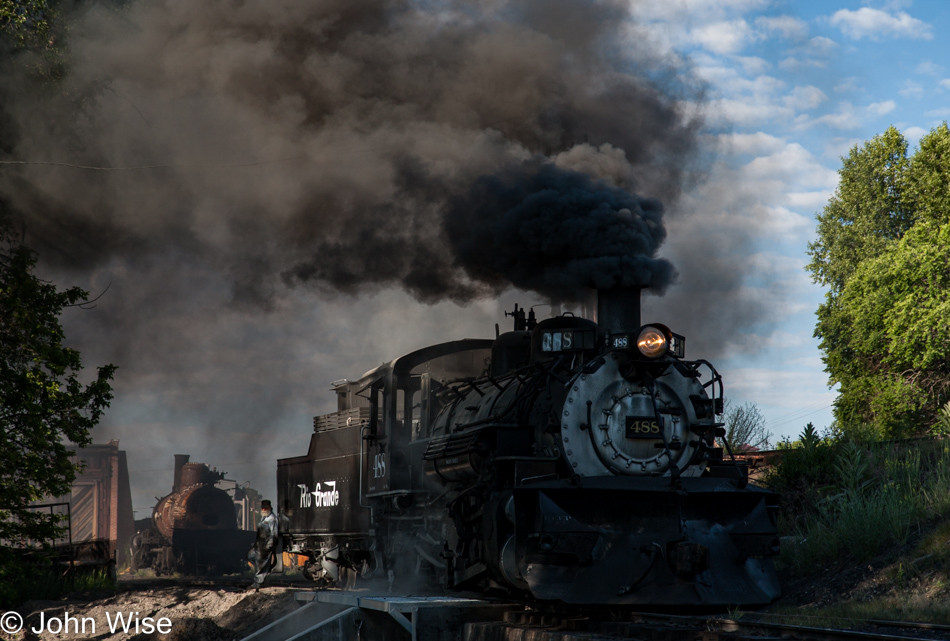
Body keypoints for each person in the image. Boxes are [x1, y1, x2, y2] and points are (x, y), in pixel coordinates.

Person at [247, 499, 279, 591]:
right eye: (263, 508)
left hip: (265, 545)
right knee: (250, 556)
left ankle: (258, 584)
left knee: (261, 563)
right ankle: (264, 569)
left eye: (266, 508)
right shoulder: (264, 517)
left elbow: (274, 534)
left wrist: (269, 546)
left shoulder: (272, 519)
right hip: (259, 544)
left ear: (269, 508)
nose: (264, 510)